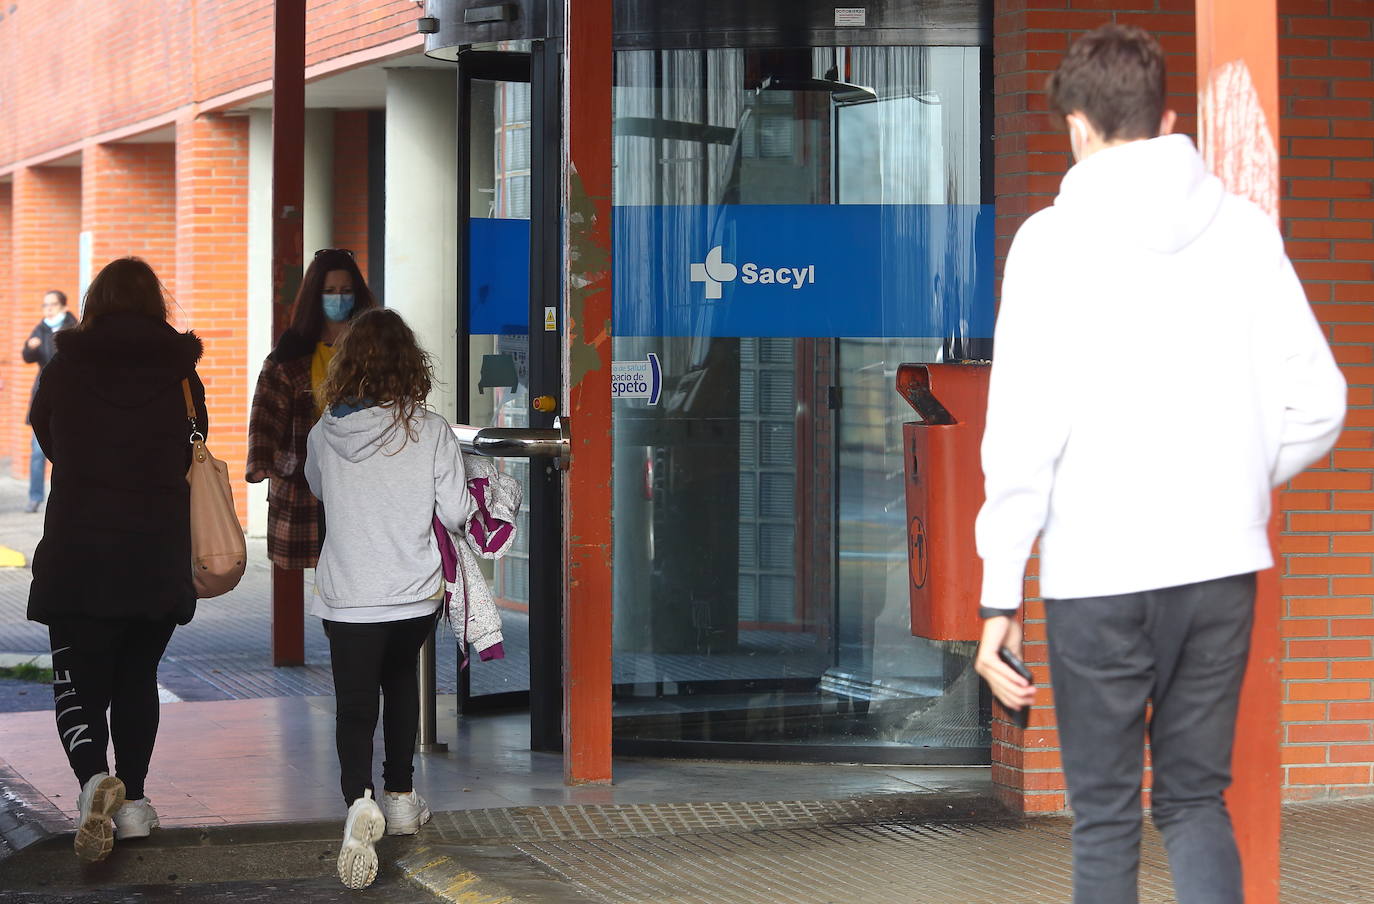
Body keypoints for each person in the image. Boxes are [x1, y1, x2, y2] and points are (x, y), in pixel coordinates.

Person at [972, 24, 1346, 904]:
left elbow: (1022, 438)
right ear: (1168, 118)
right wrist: (1236, 483)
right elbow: (1321, 404)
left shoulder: (1049, 246)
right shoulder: (1246, 234)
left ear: (1075, 125)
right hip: (1219, 568)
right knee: (1193, 803)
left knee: (1105, 821)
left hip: (1095, 575)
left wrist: (998, 597)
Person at [27, 258, 208, 862]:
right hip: (156, 550)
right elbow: (196, 441)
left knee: (78, 678)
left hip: (81, 547)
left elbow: (44, 431)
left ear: (96, 300)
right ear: (157, 303)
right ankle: (130, 802)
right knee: (137, 678)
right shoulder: (181, 372)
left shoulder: (66, 363)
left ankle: (93, 782)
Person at [304, 308, 476, 890]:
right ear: (410, 363)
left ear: (349, 365)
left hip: (348, 595)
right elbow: (455, 512)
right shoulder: (429, 430)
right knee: (401, 687)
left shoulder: (324, 431)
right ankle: (401, 796)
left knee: (354, 707)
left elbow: (319, 489)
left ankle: (359, 802)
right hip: (411, 596)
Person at [247, 249, 376, 569]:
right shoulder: (292, 352)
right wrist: (260, 461)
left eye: (346, 291)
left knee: (360, 563)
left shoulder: (373, 347)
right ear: (315, 296)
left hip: (363, 475)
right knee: (322, 564)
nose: (339, 298)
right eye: (330, 291)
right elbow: (266, 410)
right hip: (303, 476)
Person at [21, 290, 78, 513]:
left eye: (52, 305)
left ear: (63, 307)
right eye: (45, 306)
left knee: (70, 450)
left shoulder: (74, 327)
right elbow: (27, 357)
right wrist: (30, 347)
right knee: (37, 451)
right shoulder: (42, 328)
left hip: (69, 398)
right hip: (43, 395)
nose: (48, 310)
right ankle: (35, 497)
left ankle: (69, 496)